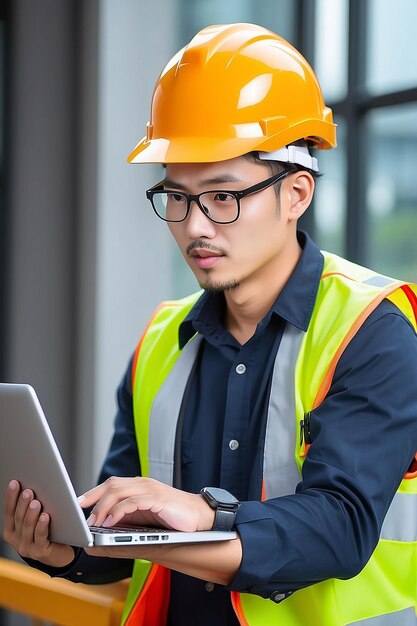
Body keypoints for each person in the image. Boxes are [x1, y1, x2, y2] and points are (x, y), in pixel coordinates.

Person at [4, 22, 417, 626]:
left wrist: (204, 512)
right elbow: (134, 540)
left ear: (297, 193)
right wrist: (63, 548)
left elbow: (340, 528)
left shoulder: (372, 331)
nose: (195, 226)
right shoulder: (162, 342)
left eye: (222, 196)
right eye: (176, 195)